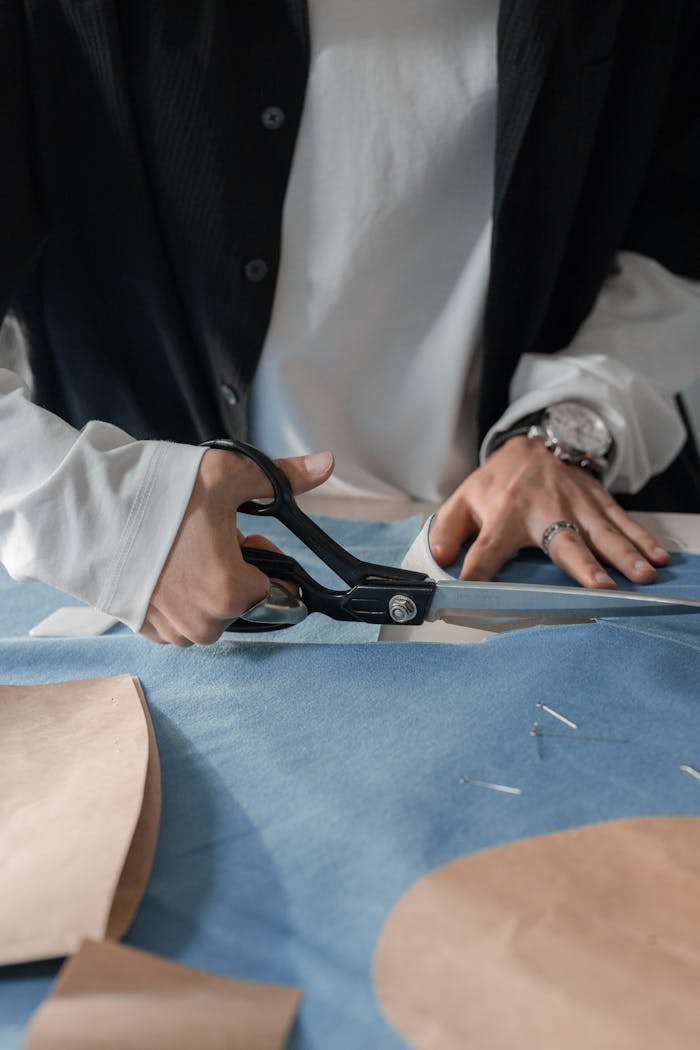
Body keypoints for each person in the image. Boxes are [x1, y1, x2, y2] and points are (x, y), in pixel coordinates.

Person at [1, 1, 699, 646]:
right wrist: (110, 517)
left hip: (537, 531)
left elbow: (676, 230)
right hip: (171, 567)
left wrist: (572, 423)